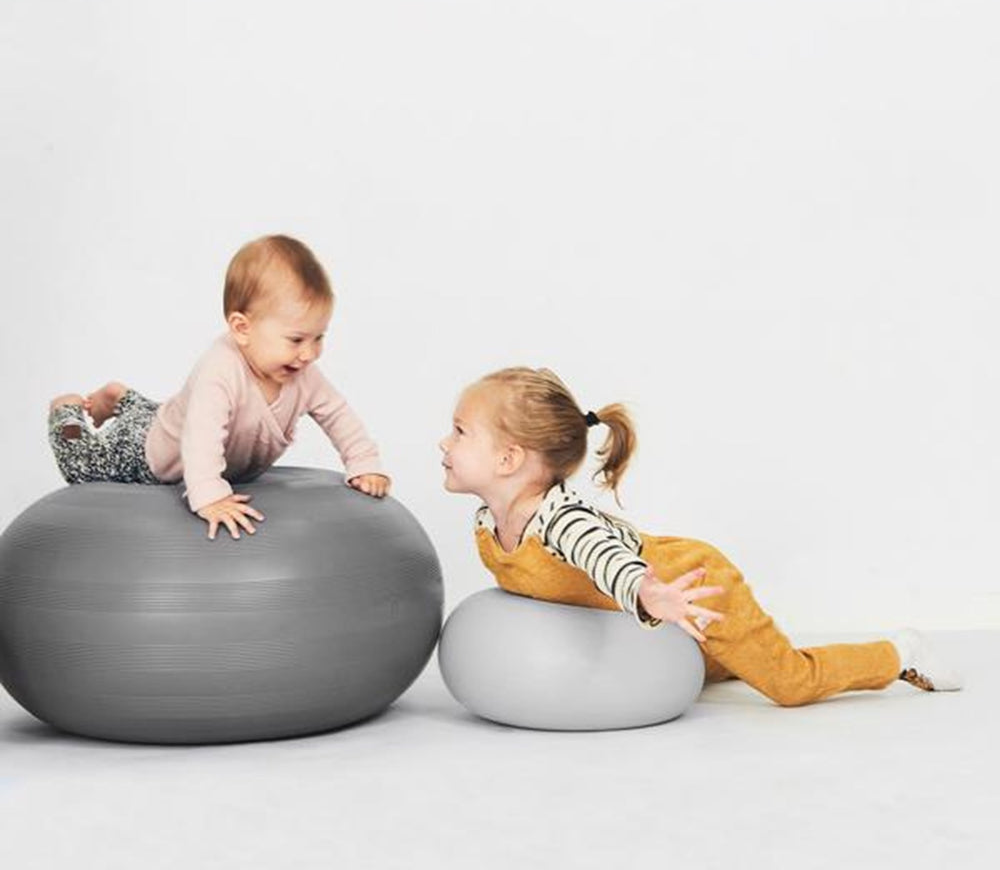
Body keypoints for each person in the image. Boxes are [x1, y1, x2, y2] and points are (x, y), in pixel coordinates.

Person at [439, 366, 962, 706]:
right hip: (665, 607)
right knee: (720, 669)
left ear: (508, 459)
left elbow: (604, 557)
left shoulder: (560, 520)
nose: (444, 442)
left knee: (789, 683)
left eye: (460, 431)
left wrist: (647, 592)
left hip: (694, 587)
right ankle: (734, 657)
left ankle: (899, 654)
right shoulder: (491, 519)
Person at [48, 234, 390, 539]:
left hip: (168, 419)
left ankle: (124, 399)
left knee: (161, 415)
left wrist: (364, 464)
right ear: (242, 328)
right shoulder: (220, 370)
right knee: (82, 465)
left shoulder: (303, 375)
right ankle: (66, 411)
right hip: (143, 454)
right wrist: (209, 494)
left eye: (319, 337)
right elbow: (202, 435)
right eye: (297, 339)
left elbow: (338, 414)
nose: (310, 353)